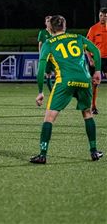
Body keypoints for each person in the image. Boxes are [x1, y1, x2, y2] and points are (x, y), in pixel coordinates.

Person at [31, 15, 103, 164]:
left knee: (49, 117)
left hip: (65, 81)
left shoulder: (48, 43)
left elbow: (41, 69)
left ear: (50, 27)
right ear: (64, 27)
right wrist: (97, 71)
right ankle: (94, 151)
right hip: (84, 80)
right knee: (88, 113)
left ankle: (43, 154)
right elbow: (95, 51)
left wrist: (40, 91)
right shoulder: (77, 37)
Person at [86, 7, 107, 115]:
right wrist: (90, 59)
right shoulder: (93, 29)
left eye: (105, 16)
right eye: (101, 16)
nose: (103, 18)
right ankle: (93, 106)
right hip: (97, 59)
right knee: (95, 83)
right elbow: (87, 46)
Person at [37, 15, 54, 92]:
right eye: (48, 21)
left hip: (55, 57)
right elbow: (40, 44)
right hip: (47, 57)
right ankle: (52, 93)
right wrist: (41, 55)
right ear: (45, 23)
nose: (49, 23)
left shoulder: (56, 33)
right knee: (48, 75)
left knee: (60, 74)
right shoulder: (42, 32)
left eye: (50, 21)